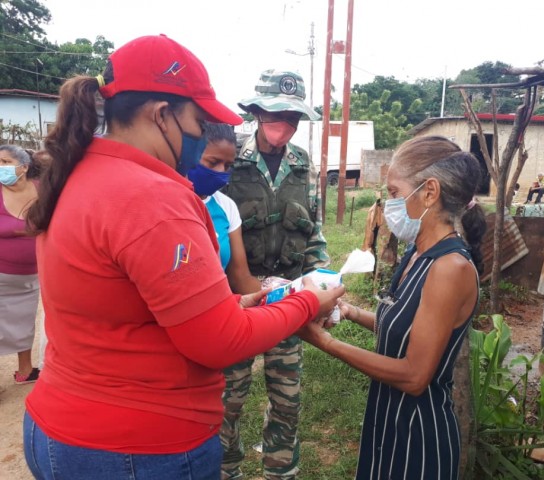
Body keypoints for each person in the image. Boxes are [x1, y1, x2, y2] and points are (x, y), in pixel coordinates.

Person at [22, 34, 343, 480]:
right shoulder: (151, 197)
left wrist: (234, 303)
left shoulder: (78, 174)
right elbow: (220, 342)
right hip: (137, 448)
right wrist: (307, 301)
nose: (201, 136)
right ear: (161, 114)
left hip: (64, 428)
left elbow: (130, 305)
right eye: (198, 121)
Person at [297, 135, 487, 480]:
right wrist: (350, 311)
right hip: (389, 418)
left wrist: (326, 343)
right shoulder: (417, 254)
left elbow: (414, 376)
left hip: (419, 435)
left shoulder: (450, 268)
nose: (389, 206)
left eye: (395, 193)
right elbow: (407, 326)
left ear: (429, 192)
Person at [221, 69, 328, 480]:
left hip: (288, 296)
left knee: (287, 400)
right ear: (257, 113)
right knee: (227, 399)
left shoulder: (302, 164)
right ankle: (225, 470)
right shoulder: (229, 158)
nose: (284, 124)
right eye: (276, 114)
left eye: (292, 117)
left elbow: (313, 230)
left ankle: (280, 471)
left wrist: (320, 281)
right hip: (237, 301)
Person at [187, 122, 261, 293]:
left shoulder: (226, 206)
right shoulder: (169, 203)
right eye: (213, 162)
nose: (221, 172)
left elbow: (240, 278)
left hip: (219, 304)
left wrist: (286, 294)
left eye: (227, 166)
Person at [0, 145, 41, 384]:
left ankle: (25, 370)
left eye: (5, 162)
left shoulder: (42, 189)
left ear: (24, 167)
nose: (0, 167)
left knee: (24, 321)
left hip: (30, 277)